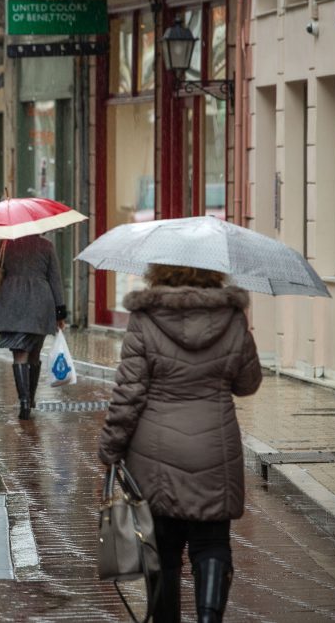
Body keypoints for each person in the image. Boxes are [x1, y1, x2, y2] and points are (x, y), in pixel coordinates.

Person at [97, 264, 262, 622]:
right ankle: (207, 617)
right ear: (212, 273)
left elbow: (129, 393)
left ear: (160, 272)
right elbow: (247, 383)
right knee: (212, 542)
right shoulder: (232, 316)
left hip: (155, 454)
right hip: (215, 448)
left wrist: (110, 447)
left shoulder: (145, 319)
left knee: (163, 552)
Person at [0, 234, 66, 420]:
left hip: (12, 301)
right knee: (35, 353)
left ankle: (24, 402)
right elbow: (55, 279)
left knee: (19, 354)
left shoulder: (6, 244)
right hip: (40, 303)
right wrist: (60, 312)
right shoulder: (47, 245)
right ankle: (30, 398)